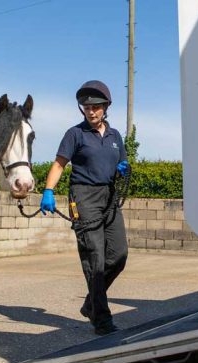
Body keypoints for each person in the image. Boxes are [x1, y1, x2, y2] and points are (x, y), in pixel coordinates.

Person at [40, 80, 130, 336]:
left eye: (96, 107)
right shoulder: (75, 134)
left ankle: (91, 303)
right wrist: (48, 190)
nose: (91, 111)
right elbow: (59, 165)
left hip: (109, 197)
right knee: (96, 260)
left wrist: (125, 168)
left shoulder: (115, 136)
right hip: (84, 197)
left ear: (105, 107)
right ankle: (101, 319)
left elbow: (121, 161)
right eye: (86, 107)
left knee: (119, 255)